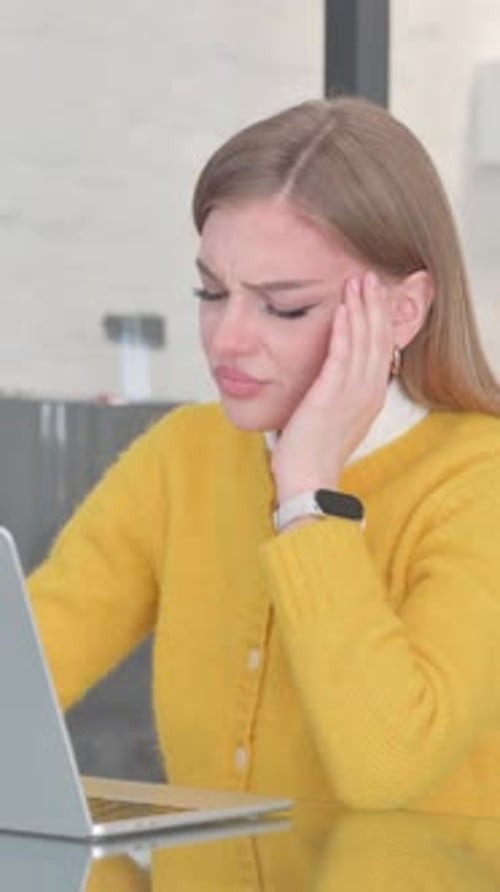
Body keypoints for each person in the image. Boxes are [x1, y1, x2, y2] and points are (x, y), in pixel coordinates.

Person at [29, 95, 500, 818]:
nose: (226, 340)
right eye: (211, 292)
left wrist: (309, 494)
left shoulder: (479, 482)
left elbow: (389, 765)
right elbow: (26, 677)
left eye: (283, 306)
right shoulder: (182, 458)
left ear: (403, 311)